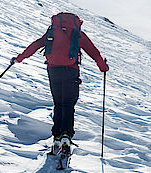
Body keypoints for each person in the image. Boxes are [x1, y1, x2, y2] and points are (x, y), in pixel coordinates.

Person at [12, 12, 108, 153]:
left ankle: (56, 135)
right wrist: (103, 67)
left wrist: (18, 58)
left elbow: (36, 45)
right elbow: (93, 52)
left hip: (53, 70)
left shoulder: (53, 31)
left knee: (58, 103)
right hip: (71, 71)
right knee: (69, 104)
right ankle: (66, 135)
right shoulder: (77, 33)